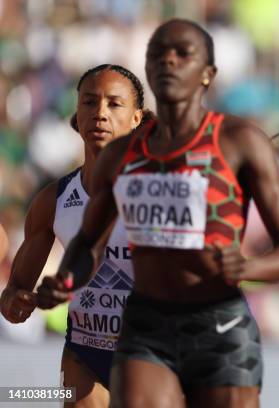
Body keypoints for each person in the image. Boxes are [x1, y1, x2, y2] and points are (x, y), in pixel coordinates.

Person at [40, 19, 279, 408]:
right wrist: (66, 280)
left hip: (220, 325)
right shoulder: (122, 156)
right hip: (146, 327)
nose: (169, 60)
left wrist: (247, 269)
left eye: (183, 54)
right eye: (158, 54)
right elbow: (87, 244)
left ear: (208, 74)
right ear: (148, 68)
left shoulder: (239, 142)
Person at [1, 64, 147, 407]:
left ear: (137, 118)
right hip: (86, 354)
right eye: (89, 102)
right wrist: (17, 302)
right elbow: (13, 295)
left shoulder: (159, 194)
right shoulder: (53, 201)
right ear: (77, 112)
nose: (100, 113)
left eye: (114, 104)